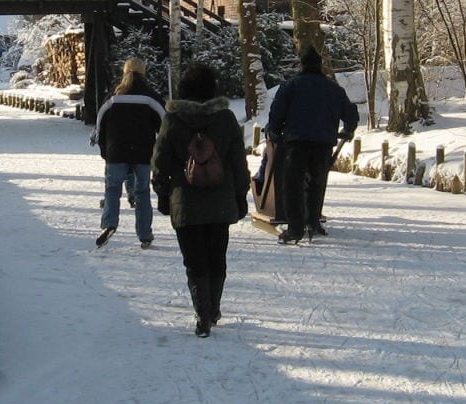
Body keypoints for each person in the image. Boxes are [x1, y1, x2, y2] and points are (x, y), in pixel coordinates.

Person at [151, 62, 250, 337]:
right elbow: (238, 161)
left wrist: (162, 192)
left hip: (185, 201)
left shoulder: (172, 120)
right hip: (220, 201)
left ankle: (202, 313)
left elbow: (160, 161)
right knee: (217, 256)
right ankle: (214, 307)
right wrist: (241, 194)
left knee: (194, 260)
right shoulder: (227, 119)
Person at [267, 44, 359, 244]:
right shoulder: (333, 88)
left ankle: (295, 228)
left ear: (302, 65)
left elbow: (277, 113)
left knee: (292, 184)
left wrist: (274, 130)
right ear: (320, 66)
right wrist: (348, 129)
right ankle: (313, 221)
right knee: (316, 183)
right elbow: (350, 113)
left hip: (296, 141)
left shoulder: (290, 86)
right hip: (323, 142)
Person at [94, 57, 166, 248]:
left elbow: (100, 125)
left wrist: (105, 150)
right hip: (143, 153)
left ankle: (108, 224)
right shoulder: (150, 97)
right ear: (144, 73)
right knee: (142, 192)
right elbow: (166, 125)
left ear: (123, 72)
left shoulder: (113, 97)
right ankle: (145, 234)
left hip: (116, 152)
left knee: (112, 189)